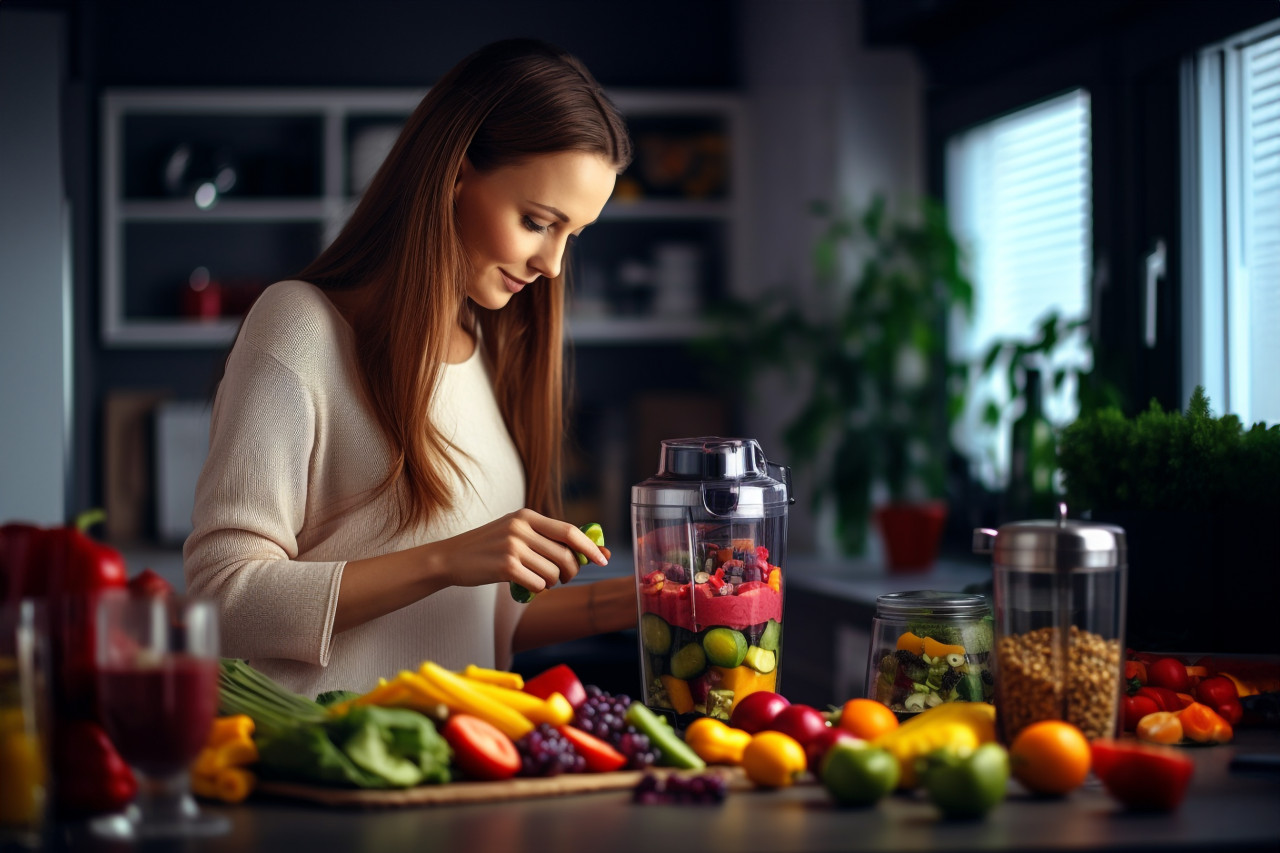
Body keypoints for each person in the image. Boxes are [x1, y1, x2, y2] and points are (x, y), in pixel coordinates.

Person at [184, 38, 637, 697]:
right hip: (327, 753)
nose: (552, 264)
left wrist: (653, 599)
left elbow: (481, 622)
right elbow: (221, 600)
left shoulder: (486, 346)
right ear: (455, 174)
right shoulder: (302, 326)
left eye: (574, 235)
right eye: (538, 221)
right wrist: (444, 560)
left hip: (454, 753)